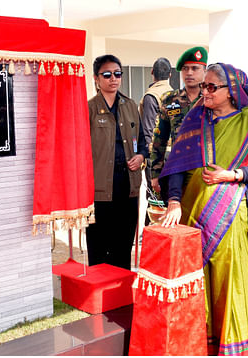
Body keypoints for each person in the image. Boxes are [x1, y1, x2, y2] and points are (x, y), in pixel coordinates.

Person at [158, 63, 248, 356]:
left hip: (232, 215)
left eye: (212, 87)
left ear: (233, 91)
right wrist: (174, 200)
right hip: (190, 211)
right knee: (194, 281)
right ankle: (197, 343)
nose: (205, 92)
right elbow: (175, 166)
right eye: (204, 86)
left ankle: (231, 347)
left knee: (230, 279)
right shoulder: (193, 120)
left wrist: (233, 175)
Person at [87, 54, 148, 270]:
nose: (113, 79)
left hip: (128, 186)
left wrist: (140, 156)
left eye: (117, 74)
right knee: (99, 244)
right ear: (96, 78)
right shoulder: (90, 109)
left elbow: (142, 142)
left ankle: (120, 293)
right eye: (107, 74)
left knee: (123, 243)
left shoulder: (131, 105)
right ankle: (99, 296)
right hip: (100, 189)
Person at [150, 46, 208, 194]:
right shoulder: (170, 99)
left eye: (195, 68)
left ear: (205, 70)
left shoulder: (211, 98)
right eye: (185, 69)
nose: (189, 73)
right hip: (178, 169)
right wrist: (155, 174)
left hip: (205, 169)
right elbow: (159, 138)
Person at [139, 58, 173, 154]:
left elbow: (148, 129)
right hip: (174, 152)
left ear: (152, 72)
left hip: (157, 153)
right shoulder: (175, 95)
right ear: (170, 74)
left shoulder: (151, 96)